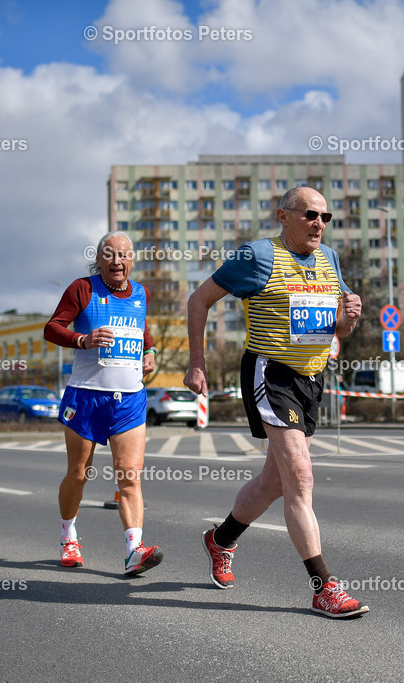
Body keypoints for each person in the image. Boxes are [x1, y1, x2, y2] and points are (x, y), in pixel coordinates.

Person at [185, 186, 368, 618]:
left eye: (326, 217)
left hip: (310, 377)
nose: (318, 224)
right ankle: (325, 588)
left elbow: (338, 330)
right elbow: (199, 300)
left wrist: (350, 317)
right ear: (283, 216)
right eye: (309, 214)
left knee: (275, 482)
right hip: (271, 372)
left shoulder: (329, 260)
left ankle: (221, 539)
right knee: (301, 476)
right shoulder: (258, 257)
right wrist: (197, 363)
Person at [44, 232, 164, 576]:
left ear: (132, 261)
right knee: (79, 474)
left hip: (128, 400)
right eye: (109, 255)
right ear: (99, 259)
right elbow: (52, 328)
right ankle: (69, 536)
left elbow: (140, 326)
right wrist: (83, 339)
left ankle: (134, 549)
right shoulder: (82, 289)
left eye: (123, 255)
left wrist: (150, 350)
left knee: (129, 477)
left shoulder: (142, 292)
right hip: (85, 396)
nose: (117, 261)